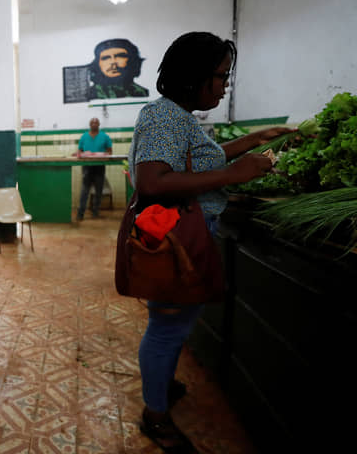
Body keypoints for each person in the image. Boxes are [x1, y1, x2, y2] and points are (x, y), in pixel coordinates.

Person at [128, 31, 294, 453]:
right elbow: (153, 180)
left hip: (190, 234)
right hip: (175, 239)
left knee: (174, 323)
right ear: (195, 77)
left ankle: (161, 384)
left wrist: (253, 141)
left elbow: (203, 160)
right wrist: (234, 175)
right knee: (165, 329)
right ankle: (155, 414)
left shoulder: (179, 116)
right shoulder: (164, 116)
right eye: (221, 77)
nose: (225, 85)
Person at [75, 117, 112, 220]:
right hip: (87, 167)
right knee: (84, 191)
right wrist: (81, 154)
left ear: (99, 124)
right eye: (92, 122)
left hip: (99, 167)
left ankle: (95, 212)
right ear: (90, 124)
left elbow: (110, 152)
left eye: (96, 122)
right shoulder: (84, 136)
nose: (94, 124)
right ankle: (80, 213)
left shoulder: (104, 136)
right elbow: (80, 151)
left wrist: (103, 154)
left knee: (98, 191)